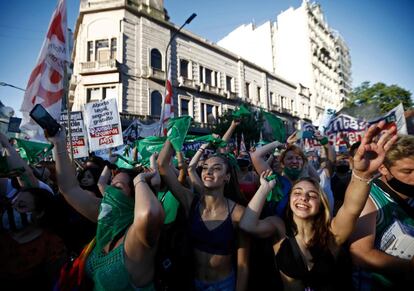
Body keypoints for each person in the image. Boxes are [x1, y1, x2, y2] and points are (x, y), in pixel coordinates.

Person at [240, 121, 397, 290]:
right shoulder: (278, 227)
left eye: (312, 194)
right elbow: (247, 225)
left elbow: (351, 208)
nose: (303, 198)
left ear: (321, 203)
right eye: (297, 193)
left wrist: (362, 174)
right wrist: (264, 189)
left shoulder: (333, 233)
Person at [48, 127, 164, 290]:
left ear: (134, 198)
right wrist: (59, 143)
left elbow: (150, 213)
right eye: (110, 185)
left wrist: (140, 180)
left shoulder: (139, 234)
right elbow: (69, 189)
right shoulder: (107, 217)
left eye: (117, 187)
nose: (108, 191)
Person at [158, 139, 249, 291]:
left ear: (227, 177)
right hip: (194, 283)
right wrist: (173, 134)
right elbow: (162, 166)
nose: (209, 171)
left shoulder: (238, 213)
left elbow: (243, 263)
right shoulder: (191, 202)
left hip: (224, 286)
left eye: (217, 168)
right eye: (205, 167)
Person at [349, 134, 414, 290]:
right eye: (407, 171)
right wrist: (409, 267)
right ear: (384, 168)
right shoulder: (369, 198)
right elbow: (360, 254)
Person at [0, 187, 68, 290]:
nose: (12, 210)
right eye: (12, 204)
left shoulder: (52, 245)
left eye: (21, 206)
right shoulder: (2, 233)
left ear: (40, 213)